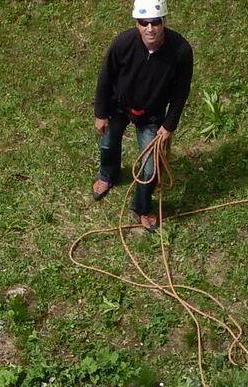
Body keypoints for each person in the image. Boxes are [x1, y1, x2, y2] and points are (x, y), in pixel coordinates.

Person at [92, 0, 194, 233]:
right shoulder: (122, 44)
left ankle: (142, 207)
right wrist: (101, 113)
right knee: (108, 144)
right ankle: (108, 175)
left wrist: (169, 125)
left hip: (152, 114)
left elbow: (181, 92)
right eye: (144, 22)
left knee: (150, 170)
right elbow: (105, 77)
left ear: (163, 22)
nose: (150, 28)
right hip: (119, 106)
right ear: (137, 24)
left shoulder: (180, 51)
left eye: (155, 22)